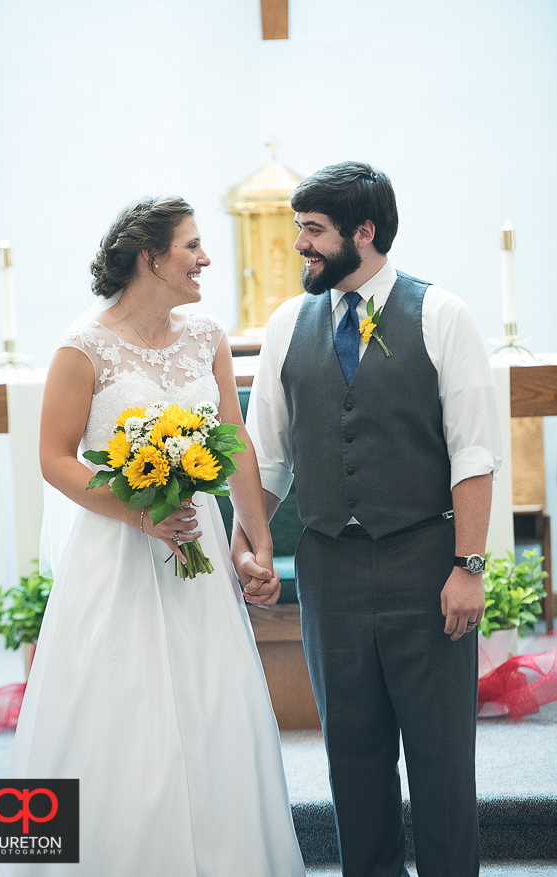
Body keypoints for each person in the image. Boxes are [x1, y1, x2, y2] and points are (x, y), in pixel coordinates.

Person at [0, 196, 305, 877]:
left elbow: (236, 440)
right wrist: (135, 512)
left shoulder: (206, 335)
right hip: (115, 556)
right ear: (149, 256)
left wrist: (254, 542)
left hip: (194, 548)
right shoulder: (83, 344)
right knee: (109, 715)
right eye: (192, 246)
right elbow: (54, 457)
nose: (206, 259)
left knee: (209, 706)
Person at [232, 162, 503, 877]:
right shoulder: (289, 323)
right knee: (351, 752)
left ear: (364, 231)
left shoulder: (443, 314)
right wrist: (250, 543)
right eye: (298, 230)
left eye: (313, 231)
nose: (299, 246)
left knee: (441, 753)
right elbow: (266, 459)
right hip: (330, 568)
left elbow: (472, 456)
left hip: (425, 561)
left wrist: (466, 567)